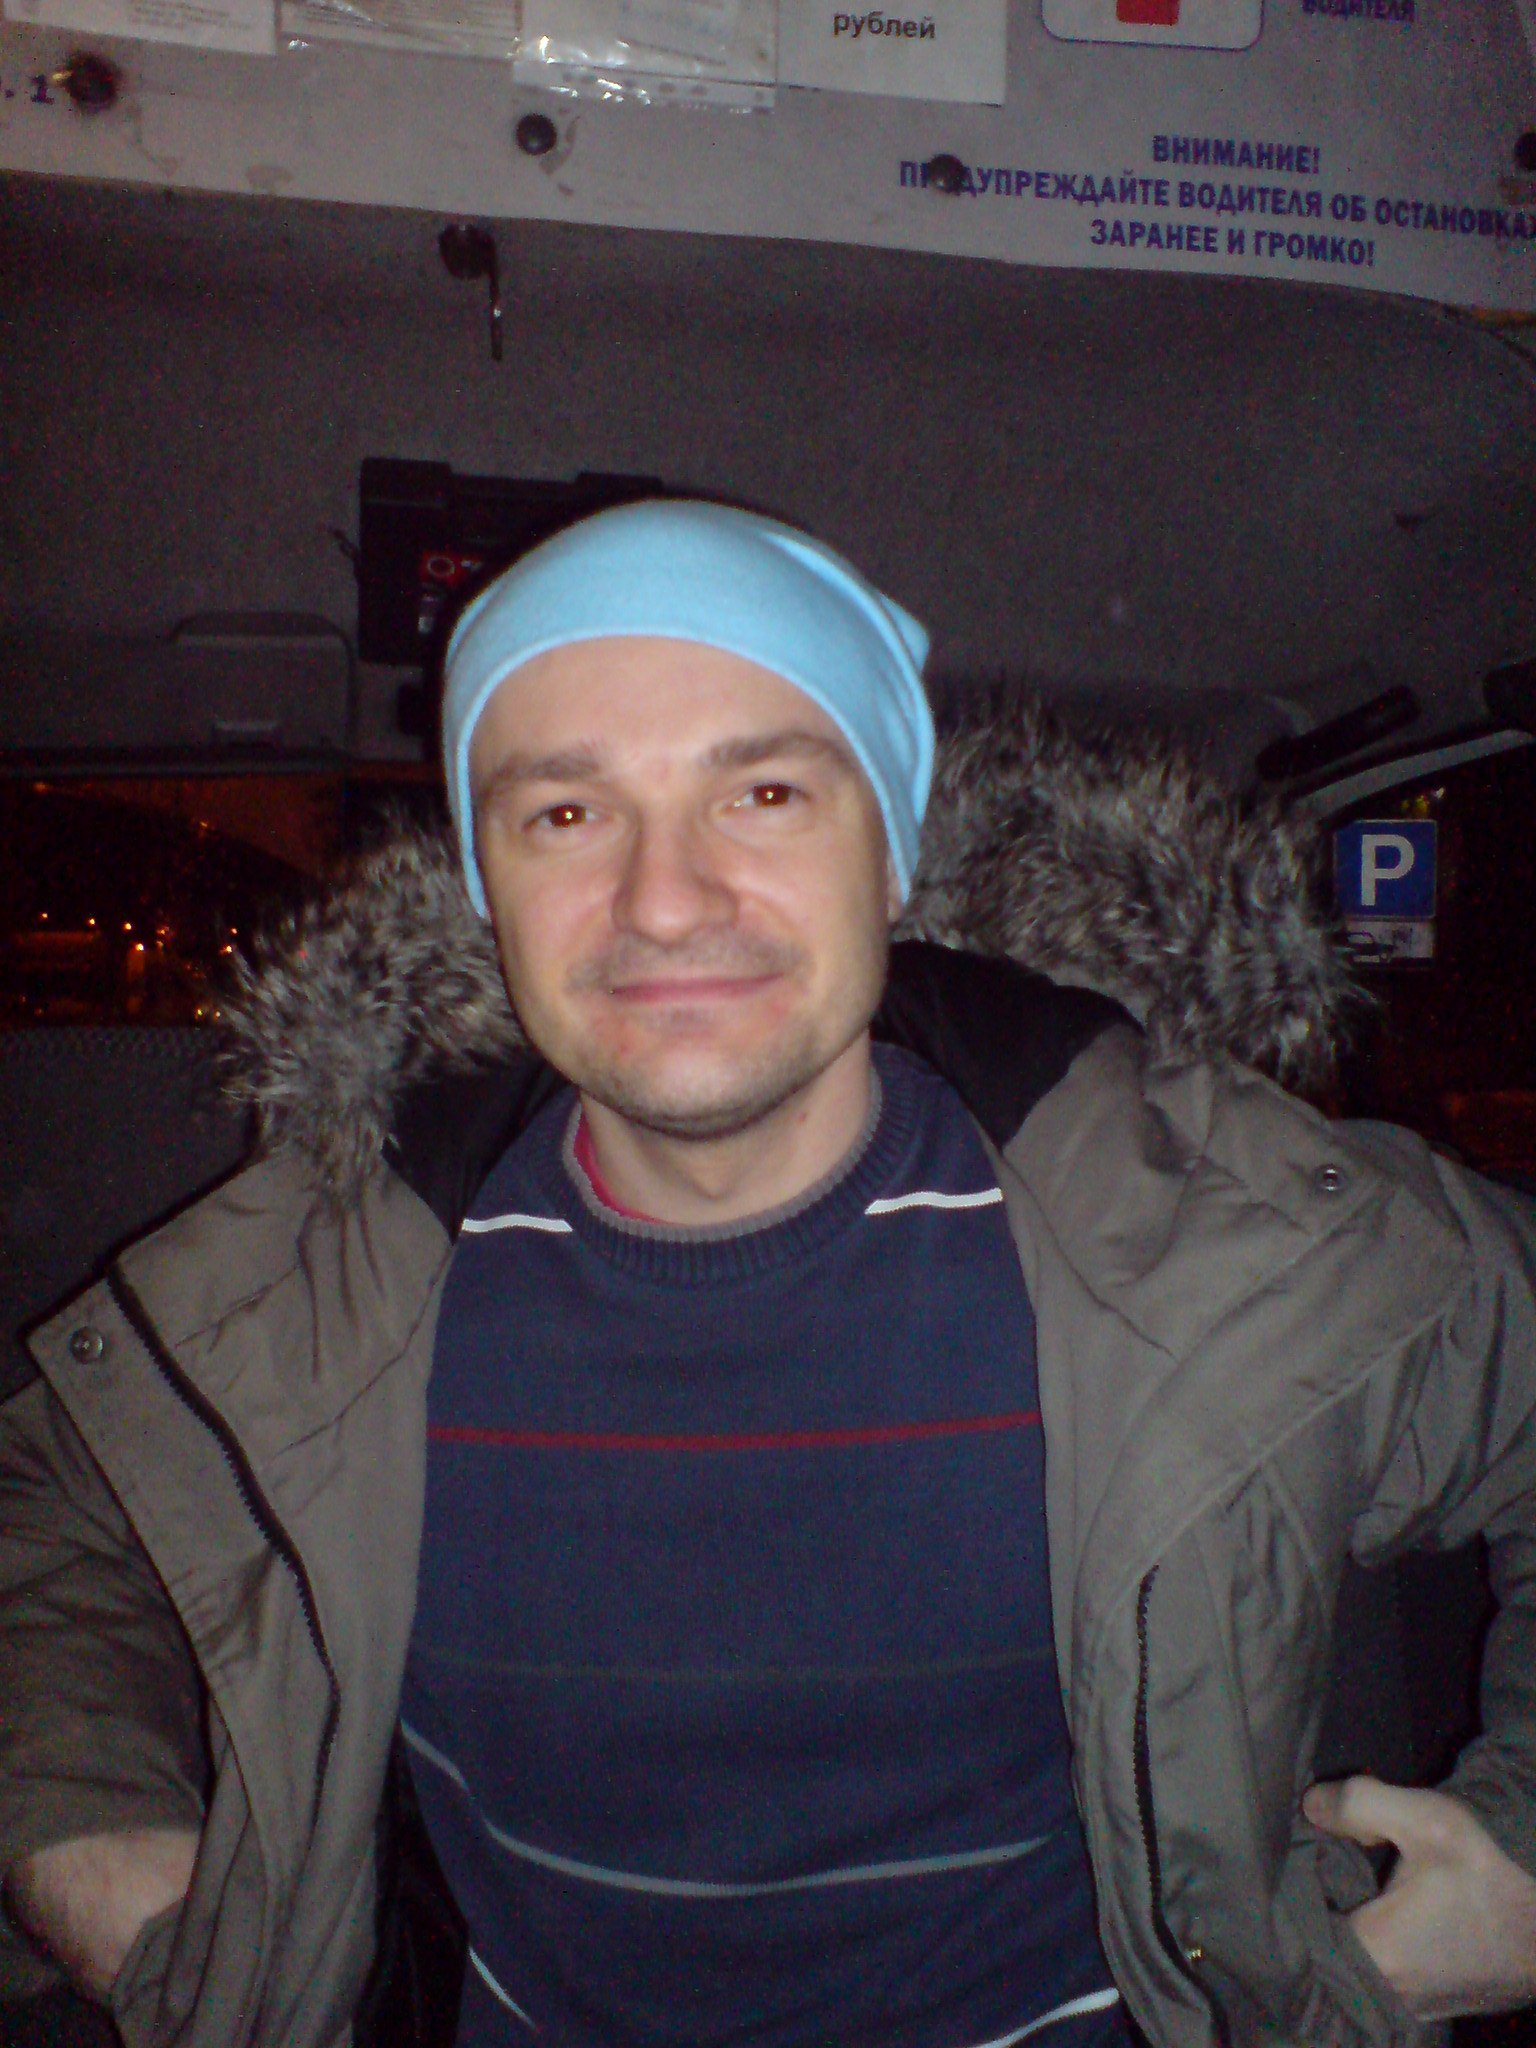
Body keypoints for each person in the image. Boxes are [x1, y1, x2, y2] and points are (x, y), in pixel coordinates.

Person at [3, 498, 1536, 2048]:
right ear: (484, 890)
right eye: (566, 815)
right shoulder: (322, 1286)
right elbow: (46, 1515)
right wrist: (94, 1846)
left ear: (893, 856)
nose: (666, 900)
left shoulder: (1228, 1238)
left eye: (766, 792)